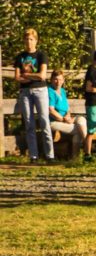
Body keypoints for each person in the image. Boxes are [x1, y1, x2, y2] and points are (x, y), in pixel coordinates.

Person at [14, 28, 53, 163]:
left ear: (36, 40)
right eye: (26, 39)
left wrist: (27, 75)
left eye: (31, 39)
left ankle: (50, 155)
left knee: (44, 120)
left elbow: (42, 75)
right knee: (29, 122)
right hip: (25, 92)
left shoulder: (41, 55)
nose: (29, 42)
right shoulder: (20, 57)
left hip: (40, 90)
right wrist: (32, 77)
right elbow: (17, 77)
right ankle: (34, 155)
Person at [47, 70, 87, 159]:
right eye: (55, 79)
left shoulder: (63, 91)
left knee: (82, 119)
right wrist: (63, 119)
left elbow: (67, 108)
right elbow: (51, 110)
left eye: (60, 79)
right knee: (78, 131)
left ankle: (76, 156)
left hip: (65, 120)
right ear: (51, 80)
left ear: (63, 80)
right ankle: (87, 148)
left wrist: (68, 116)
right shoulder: (49, 91)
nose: (58, 82)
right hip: (54, 122)